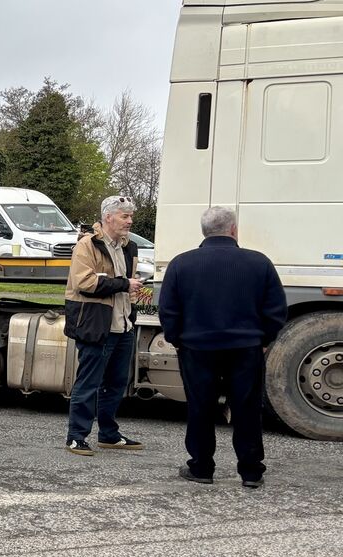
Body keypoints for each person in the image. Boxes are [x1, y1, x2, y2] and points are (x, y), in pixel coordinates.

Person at [158, 207, 287, 488]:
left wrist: (178, 340)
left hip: (196, 348)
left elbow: (168, 310)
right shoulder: (259, 262)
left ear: (204, 231)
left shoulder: (181, 264)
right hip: (245, 348)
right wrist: (263, 339)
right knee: (247, 408)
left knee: (200, 407)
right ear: (233, 230)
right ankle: (251, 471)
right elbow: (276, 309)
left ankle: (202, 467)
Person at [62, 194, 145, 455]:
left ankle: (108, 434)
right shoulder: (87, 245)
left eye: (130, 216)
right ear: (108, 217)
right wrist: (123, 284)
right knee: (88, 383)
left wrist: (133, 292)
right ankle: (76, 437)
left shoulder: (129, 247)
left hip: (123, 326)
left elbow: (124, 283)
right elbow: (84, 283)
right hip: (96, 326)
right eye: (125, 216)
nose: (130, 221)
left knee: (116, 383)